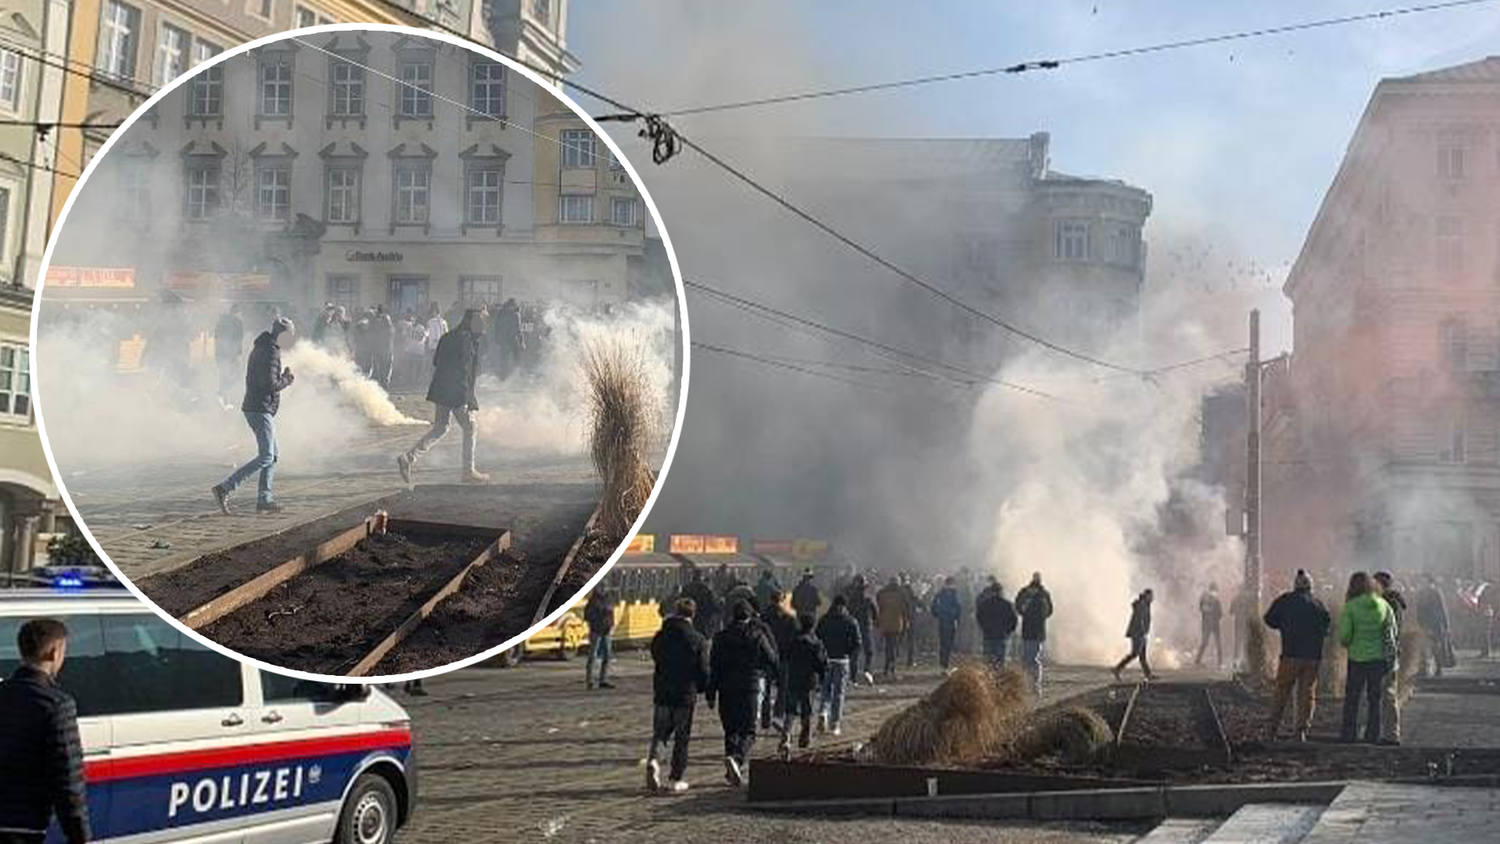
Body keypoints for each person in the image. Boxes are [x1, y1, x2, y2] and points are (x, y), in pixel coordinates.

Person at [0, 618, 89, 844]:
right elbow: (68, 780)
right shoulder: (56, 704)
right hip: (24, 826)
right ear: (53, 653)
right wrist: (79, 836)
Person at [212, 317, 295, 515]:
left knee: (272, 455)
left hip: (257, 406)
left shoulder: (264, 347)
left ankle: (264, 499)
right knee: (266, 455)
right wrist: (286, 379)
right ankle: (224, 488)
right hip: (259, 408)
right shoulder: (270, 352)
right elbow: (269, 384)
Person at [396, 309, 489, 485]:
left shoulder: (449, 336)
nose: (483, 327)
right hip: (456, 391)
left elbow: (436, 361)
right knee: (470, 427)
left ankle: (409, 458)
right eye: (481, 322)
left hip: (441, 388)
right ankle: (468, 471)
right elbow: (466, 371)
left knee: (441, 427)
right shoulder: (467, 340)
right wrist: (468, 398)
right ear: (471, 322)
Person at [707, 601, 778, 787]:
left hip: (726, 688)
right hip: (750, 687)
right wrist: (774, 678)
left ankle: (731, 763)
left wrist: (710, 693)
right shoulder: (757, 635)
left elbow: (713, 667)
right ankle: (737, 760)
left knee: (730, 730)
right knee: (749, 731)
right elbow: (772, 659)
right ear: (749, 616)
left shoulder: (720, 637)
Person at [647, 598, 709, 793]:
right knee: (682, 738)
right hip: (685, 693)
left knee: (661, 733)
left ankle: (654, 760)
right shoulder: (698, 638)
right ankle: (676, 778)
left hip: (663, 691)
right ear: (693, 614)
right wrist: (703, 688)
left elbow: (655, 655)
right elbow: (703, 669)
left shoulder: (661, 635)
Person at [1263, 569, 1332, 742]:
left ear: (1295, 585)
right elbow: (1326, 628)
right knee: (1307, 694)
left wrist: (1284, 625)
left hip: (1290, 654)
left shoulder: (1285, 600)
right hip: (1312, 657)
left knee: (1282, 691)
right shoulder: (1318, 604)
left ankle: (1272, 730)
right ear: (1310, 586)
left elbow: (1269, 619)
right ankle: (1300, 731)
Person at [1338, 571, 1397, 744]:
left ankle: (1349, 735)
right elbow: (1391, 633)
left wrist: (1352, 643)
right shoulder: (1384, 605)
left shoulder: (1351, 607)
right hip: (1378, 660)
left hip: (1357, 659)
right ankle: (1373, 735)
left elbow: (1344, 637)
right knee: (1374, 699)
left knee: (1352, 699)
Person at [780, 614, 828, 754]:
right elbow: (821, 664)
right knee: (807, 710)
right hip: (809, 681)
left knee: (790, 709)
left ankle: (786, 735)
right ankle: (804, 737)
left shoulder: (794, 640)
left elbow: (785, 656)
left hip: (793, 678)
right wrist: (823, 676)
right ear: (813, 626)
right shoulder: (816, 642)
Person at [815, 594, 861, 736]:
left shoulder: (824, 620)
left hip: (826, 659)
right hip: (842, 661)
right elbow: (857, 643)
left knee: (825, 690)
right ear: (844, 606)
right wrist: (848, 653)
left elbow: (817, 638)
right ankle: (834, 724)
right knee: (838, 693)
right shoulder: (851, 621)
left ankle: (823, 712)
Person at [1373, 572, 1405, 746]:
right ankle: (1387, 733)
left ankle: (1391, 735)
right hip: (1389, 652)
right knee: (1387, 693)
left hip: (1387, 654)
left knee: (1387, 694)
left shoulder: (1388, 603)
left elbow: (1387, 631)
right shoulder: (1392, 601)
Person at [760, 590, 799, 730]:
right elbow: (796, 637)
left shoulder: (763, 616)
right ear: (781, 600)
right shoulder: (789, 617)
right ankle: (777, 716)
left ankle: (765, 717)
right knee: (783, 689)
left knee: (766, 689)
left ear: (770, 600)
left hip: (766, 657)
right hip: (784, 657)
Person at [1015, 572, 1053, 694]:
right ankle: (1031, 683)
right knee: (1030, 658)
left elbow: (1049, 611)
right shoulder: (1041, 594)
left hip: (1033, 631)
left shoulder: (1040, 594)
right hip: (1035, 631)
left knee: (1030, 658)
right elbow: (1019, 607)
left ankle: (1033, 683)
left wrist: (1027, 611)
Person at [1113, 589, 1157, 681]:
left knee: (1142, 656)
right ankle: (1117, 669)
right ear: (1146, 596)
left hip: (1141, 633)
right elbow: (1139, 619)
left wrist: (1145, 632)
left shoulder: (1145, 604)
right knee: (1135, 653)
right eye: (1151, 596)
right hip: (1138, 633)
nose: (1152, 598)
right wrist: (1143, 631)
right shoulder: (1142, 604)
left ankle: (1148, 675)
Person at [975, 577, 1018, 668]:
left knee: (988, 662)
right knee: (1000, 662)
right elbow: (1014, 620)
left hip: (988, 636)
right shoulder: (1007, 605)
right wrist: (1008, 631)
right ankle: (999, 680)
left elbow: (979, 617)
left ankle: (988, 680)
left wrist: (984, 628)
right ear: (1001, 592)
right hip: (1002, 636)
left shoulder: (984, 604)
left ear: (991, 592)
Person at [1414, 574, 1452, 678]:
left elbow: (1442, 610)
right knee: (1422, 648)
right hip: (1423, 623)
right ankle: (1423, 669)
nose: (1422, 582)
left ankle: (1438, 668)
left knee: (1435, 648)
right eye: (1421, 580)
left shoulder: (1435, 593)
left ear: (1430, 581)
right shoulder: (1420, 593)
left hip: (1434, 624)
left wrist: (1445, 625)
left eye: (1424, 580)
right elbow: (1418, 609)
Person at [583, 587, 618, 690]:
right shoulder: (593, 601)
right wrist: (600, 614)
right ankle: (589, 681)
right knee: (592, 656)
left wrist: (610, 624)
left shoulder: (608, 599)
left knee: (607, 656)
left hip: (606, 631)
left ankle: (602, 680)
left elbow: (611, 614)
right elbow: (587, 615)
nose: (604, 590)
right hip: (596, 631)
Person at [875, 576, 910, 677]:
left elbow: (880, 606)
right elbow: (905, 609)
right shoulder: (901, 594)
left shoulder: (882, 594)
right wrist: (907, 621)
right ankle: (891, 667)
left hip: (885, 623)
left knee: (888, 646)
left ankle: (887, 667)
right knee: (894, 646)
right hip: (897, 623)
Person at [844, 575, 875, 684]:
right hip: (866, 627)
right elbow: (875, 613)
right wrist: (874, 622)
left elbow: (847, 614)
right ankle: (867, 670)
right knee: (869, 652)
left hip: (853, 628)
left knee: (854, 654)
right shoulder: (868, 599)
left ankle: (853, 678)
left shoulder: (851, 600)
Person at [213, 304, 245, 404]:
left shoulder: (221, 321)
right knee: (235, 374)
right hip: (231, 354)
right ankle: (224, 394)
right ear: (238, 312)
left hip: (220, 353)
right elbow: (239, 338)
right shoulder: (238, 322)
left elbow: (216, 336)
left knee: (224, 373)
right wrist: (238, 350)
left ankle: (223, 394)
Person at [929, 576, 963, 670]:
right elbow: (959, 609)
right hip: (951, 622)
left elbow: (933, 607)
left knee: (943, 643)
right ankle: (945, 664)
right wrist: (957, 619)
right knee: (949, 644)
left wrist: (938, 615)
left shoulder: (939, 594)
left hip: (942, 621)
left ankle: (943, 664)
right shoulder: (955, 595)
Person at [491, 297, 525, 379]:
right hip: (505, 339)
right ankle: (505, 375)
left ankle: (516, 373)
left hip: (511, 338)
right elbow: (497, 327)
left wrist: (521, 341)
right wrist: (497, 339)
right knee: (505, 358)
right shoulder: (503, 313)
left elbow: (518, 329)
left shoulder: (514, 314)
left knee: (515, 357)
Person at [681, 569, 720, 637]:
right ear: (701, 577)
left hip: (688, 618)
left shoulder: (686, 588)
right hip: (703, 620)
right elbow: (713, 604)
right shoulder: (705, 589)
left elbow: (681, 602)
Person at [1196, 584, 1224, 668]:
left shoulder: (1203, 599)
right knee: (1218, 643)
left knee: (1204, 642)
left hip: (1205, 624)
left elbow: (1201, 609)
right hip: (1215, 625)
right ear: (1215, 590)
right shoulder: (1216, 600)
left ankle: (1198, 660)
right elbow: (1220, 614)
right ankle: (1220, 663)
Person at [368, 305, 395, 388]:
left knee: (381, 366)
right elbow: (391, 332)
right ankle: (384, 381)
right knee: (385, 366)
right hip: (385, 347)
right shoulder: (385, 319)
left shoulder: (374, 321)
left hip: (381, 347)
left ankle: (382, 381)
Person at [899, 573, 921, 667]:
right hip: (909, 616)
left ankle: (895, 658)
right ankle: (910, 661)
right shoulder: (908, 589)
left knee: (898, 639)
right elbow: (915, 600)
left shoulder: (896, 590)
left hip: (899, 617)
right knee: (910, 640)